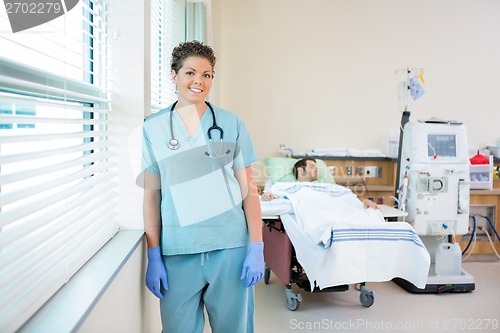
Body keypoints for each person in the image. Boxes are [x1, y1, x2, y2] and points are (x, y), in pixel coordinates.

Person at [141, 41, 263, 333]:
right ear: (174, 75)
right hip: (177, 250)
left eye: (207, 75)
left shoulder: (231, 123)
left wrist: (257, 246)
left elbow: (249, 189)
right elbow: (151, 195)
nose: (199, 81)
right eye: (190, 72)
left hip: (230, 247)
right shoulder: (153, 127)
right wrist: (153, 254)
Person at [262, 158, 379, 209]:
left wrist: (362, 202)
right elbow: (271, 196)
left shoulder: (325, 187)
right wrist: (266, 196)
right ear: (300, 170)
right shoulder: (286, 186)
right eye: (312, 166)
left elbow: (345, 196)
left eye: (316, 167)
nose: (316, 169)